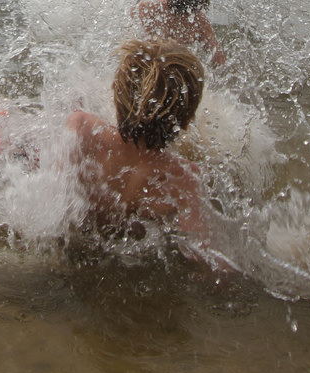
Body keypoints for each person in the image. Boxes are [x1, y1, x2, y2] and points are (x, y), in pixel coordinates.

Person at [66, 40, 217, 252]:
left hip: (74, 240)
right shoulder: (184, 178)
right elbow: (202, 249)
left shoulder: (82, 128)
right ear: (186, 121)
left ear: (117, 97)